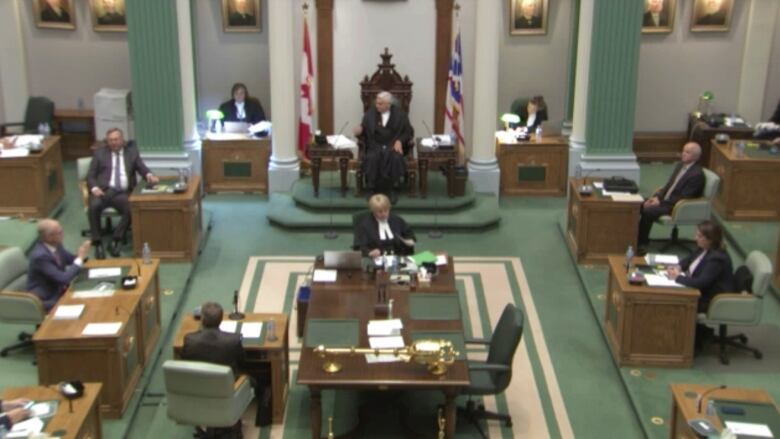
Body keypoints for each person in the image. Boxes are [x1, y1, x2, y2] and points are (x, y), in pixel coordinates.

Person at [87, 128, 159, 259]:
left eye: (116, 139)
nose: (114, 143)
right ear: (107, 142)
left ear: (122, 140)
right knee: (93, 207)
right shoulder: (99, 154)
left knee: (132, 208)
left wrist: (149, 175)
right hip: (104, 191)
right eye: (110, 140)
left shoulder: (131, 153)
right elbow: (90, 176)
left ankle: (116, 239)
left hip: (122, 193)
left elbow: (142, 168)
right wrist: (94, 188)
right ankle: (97, 243)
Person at [637, 142, 705, 252]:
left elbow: (684, 197)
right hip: (665, 200)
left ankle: (641, 242)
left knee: (647, 211)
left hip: (676, 206)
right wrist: (657, 197)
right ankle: (632, 237)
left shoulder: (697, 175)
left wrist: (660, 203)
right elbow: (669, 185)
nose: (683, 154)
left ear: (696, 157)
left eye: (687, 152)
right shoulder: (680, 165)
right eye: (683, 151)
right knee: (637, 203)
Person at [354, 91, 413, 202]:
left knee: (395, 157)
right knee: (372, 157)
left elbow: (408, 132)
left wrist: (400, 141)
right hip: (375, 145)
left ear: (389, 104)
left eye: (380, 104)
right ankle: (371, 188)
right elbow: (364, 127)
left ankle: (393, 189)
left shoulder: (401, 115)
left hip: (392, 145)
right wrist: (359, 130)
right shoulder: (370, 114)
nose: (377, 106)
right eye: (376, 103)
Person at [667, 221, 736, 312]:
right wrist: (679, 266)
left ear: (710, 239)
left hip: (708, 299)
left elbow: (701, 283)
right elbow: (689, 259)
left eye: (699, 236)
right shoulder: (704, 248)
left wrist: (677, 277)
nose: (695, 238)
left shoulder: (717, 258)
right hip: (698, 291)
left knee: (671, 302)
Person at [26, 220, 91, 311]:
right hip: (47, 299)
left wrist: (82, 252)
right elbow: (63, 279)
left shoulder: (56, 245)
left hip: (60, 289)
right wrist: (80, 258)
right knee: (85, 305)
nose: (63, 234)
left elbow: (70, 260)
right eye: (59, 232)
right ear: (48, 237)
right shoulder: (40, 256)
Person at [181, 302, 246, 373]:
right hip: (225, 382)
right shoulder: (234, 340)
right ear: (221, 320)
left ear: (202, 319)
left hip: (198, 380)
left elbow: (184, 360)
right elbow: (242, 363)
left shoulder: (189, 339)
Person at [354, 194, 416, 258]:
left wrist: (409, 241)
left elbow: (409, 234)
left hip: (398, 256)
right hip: (376, 259)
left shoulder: (397, 220)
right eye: (380, 212)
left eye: (386, 210)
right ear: (373, 211)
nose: (384, 214)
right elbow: (360, 246)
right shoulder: (365, 225)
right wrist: (369, 252)